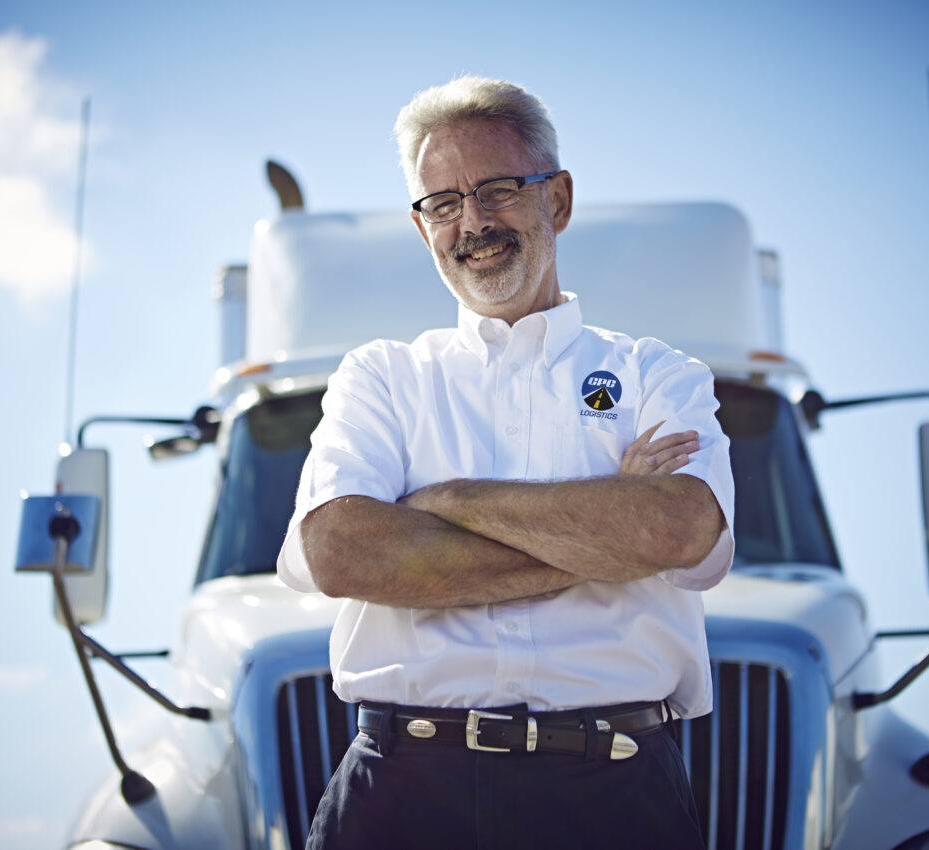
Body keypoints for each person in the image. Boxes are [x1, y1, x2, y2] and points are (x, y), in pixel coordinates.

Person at [277, 76, 735, 849]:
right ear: (424, 229)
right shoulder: (382, 377)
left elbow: (673, 531)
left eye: (496, 189)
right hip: (403, 794)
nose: (474, 223)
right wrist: (604, 529)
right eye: (444, 203)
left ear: (556, 200)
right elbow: (341, 550)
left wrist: (442, 500)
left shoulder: (660, 374)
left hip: (617, 798)